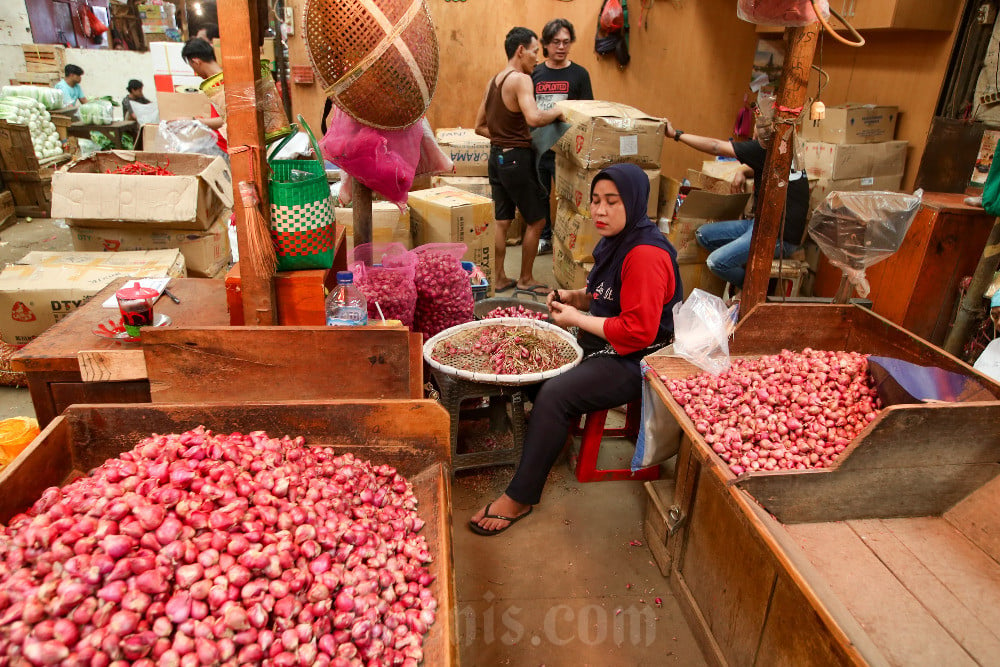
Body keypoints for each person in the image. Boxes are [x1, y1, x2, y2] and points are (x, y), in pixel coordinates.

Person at [470, 163, 682, 536]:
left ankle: (520, 497)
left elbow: (638, 332)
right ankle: (554, 437)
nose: (599, 211)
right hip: (607, 342)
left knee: (555, 393)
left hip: (639, 359)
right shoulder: (616, 240)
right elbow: (603, 295)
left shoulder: (645, 256)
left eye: (611, 202)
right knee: (534, 362)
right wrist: (575, 299)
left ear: (632, 203)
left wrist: (573, 318)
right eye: (596, 200)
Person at [665, 117, 808, 295]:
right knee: (703, 234)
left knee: (716, 262)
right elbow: (762, 166)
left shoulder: (764, 148)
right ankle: (744, 266)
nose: (753, 135)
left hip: (778, 237)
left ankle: (750, 290)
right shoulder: (786, 149)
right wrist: (742, 171)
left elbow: (716, 146)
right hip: (760, 224)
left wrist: (676, 134)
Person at [475, 27, 564, 296]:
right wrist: (559, 110)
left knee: (502, 220)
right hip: (517, 160)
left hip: (497, 157)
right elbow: (534, 118)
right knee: (537, 220)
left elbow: (479, 126)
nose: (538, 58)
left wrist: (504, 139)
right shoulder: (521, 80)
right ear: (520, 50)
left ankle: (499, 278)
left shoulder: (494, 81)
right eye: (536, 51)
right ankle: (526, 278)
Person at [532, 18, 593, 255]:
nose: (561, 47)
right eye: (556, 42)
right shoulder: (534, 72)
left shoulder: (580, 74)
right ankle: (545, 237)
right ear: (545, 44)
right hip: (539, 147)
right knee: (540, 195)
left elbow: (588, 112)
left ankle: (570, 238)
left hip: (567, 151)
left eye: (566, 42)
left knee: (569, 198)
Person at [180, 38, 228, 153]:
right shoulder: (217, 81)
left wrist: (193, 121)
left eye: (193, 67)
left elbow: (229, 120)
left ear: (196, 61)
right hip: (218, 142)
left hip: (223, 147)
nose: (195, 73)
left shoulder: (220, 83)